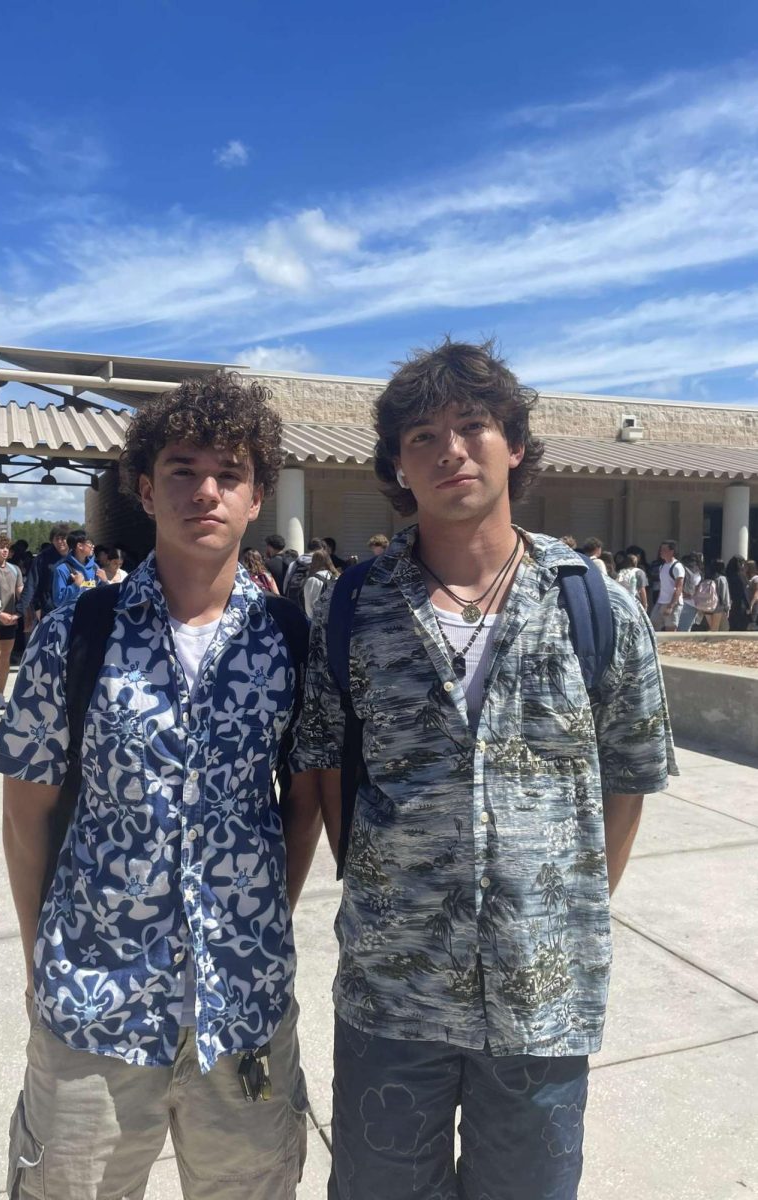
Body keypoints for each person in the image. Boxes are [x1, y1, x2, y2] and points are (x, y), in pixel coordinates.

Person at [295, 338, 676, 1200]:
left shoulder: (596, 605)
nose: (451, 451)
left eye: (472, 426)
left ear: (514, 444)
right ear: (397, 464)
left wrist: (556, 909)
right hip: (392, 994)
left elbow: (626, 781)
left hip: (543, 1001)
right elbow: (321, 768)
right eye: (423, 437)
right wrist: (386, 893)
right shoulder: (350, 607)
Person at [0, 373, 322, 1200]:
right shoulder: (79, 631)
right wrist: (40, 957)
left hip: (243, 1011)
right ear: (145, 488)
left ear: (255, 499)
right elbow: (26, 815)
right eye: (182, 468)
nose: (205, 490)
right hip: (93, 1005)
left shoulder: (288, 641)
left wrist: (255, 926)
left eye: (230, 473)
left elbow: (304, 808)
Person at [0, 533, 23, 708]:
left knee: (5, 658)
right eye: (1, 547)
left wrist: (22, 613)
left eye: (7, 547)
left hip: (10, 620)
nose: (5, 550)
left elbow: (20, 591)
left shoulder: (14, 569)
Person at [16, 523, 70, 629]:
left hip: (72, 606)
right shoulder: (42, 558)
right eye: (57, 539)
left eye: (63, 538)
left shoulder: (76, 556)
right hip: (50, 608)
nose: (60, 542)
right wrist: (20, 610)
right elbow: (31, 584)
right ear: (52, 540)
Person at [51, 529, 102, 608]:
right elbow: (58, 601)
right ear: (80, 546)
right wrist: (75, 586)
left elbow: (103, 594)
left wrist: (105, 582)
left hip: (93, 615)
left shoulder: (95, 567)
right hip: (72, 618)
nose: (93, 546)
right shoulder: (62, 570)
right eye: (89, 543)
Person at [651, 540, 686, 631]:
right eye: (661, 549)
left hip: (672, 603)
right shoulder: (662, 566)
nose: (661, 552)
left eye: (664, 549)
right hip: (660, 602)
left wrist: (671, 606)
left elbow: (678, 587)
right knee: (652, 626)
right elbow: (663, 586)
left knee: (670, 630)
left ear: (672, 551)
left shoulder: (677, 567)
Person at [283, 536, 326, 607]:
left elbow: (285, 584)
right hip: (310, 604)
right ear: (321, 549)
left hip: (293, 602)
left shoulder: (294, 563)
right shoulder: (320, 564)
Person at [301, 548, 339, 619]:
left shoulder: (312, 580)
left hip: (318, 622)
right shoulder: (337, 578)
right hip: (335, 620)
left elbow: (309, 609)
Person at [700, 559, 730, 631]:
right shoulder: (722, 578)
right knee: (717, 628)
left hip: (706, 605)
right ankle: (711, 642)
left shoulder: (706, 577)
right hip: (717, 606)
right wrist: (727, 607)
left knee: (712, 627)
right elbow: (724, 594)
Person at [678, 552, 703, 633]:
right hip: (692, 603)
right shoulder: (698, 573)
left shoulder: (683, 571)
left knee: (681, 628)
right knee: (686, 628)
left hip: (682, 601)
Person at [726, 555, 750, 631]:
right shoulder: (741, 576)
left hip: (731, 603)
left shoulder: (727, 574)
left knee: (732, 625)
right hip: (740, 604)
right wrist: (748, 605)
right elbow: (744, 592)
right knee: (741, 626)